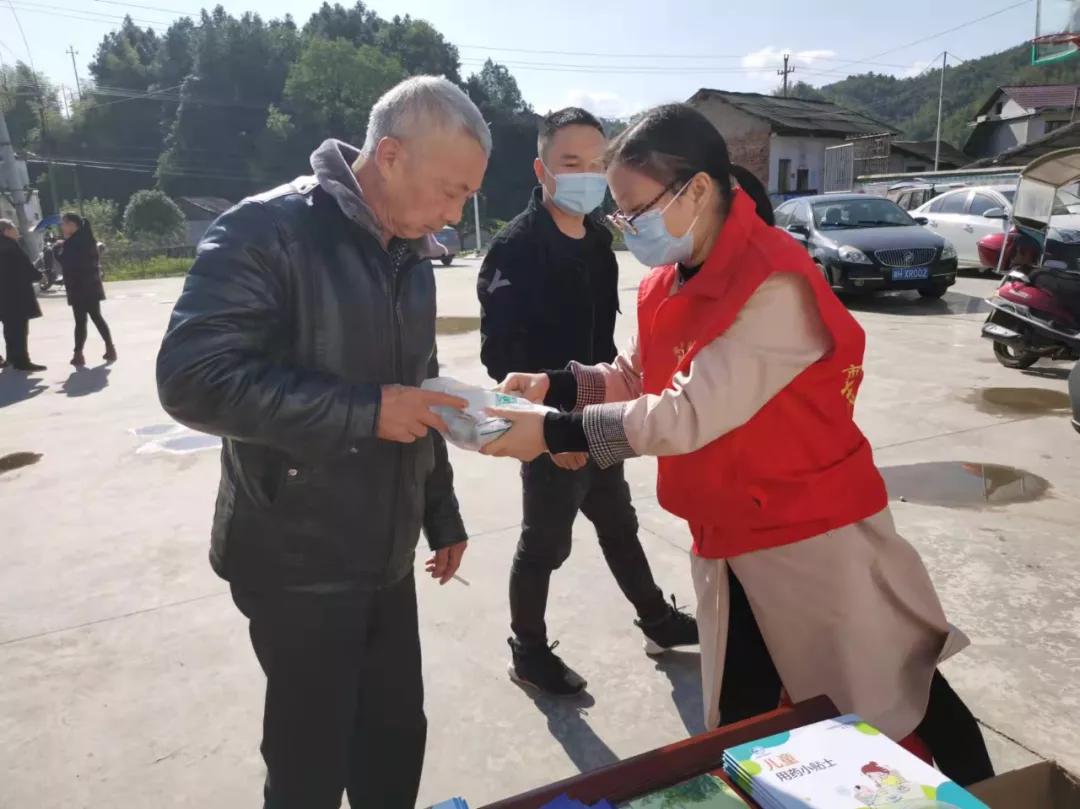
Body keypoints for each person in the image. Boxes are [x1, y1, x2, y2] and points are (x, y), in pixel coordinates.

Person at [480, 104, 994, 787]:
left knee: (890, 689)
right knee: (749, 711)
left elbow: (685, 414)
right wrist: (559, 384)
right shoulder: (669, 279)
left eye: (636, 209)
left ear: (696, 189)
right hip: (729, 534)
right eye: (620, 213)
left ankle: (993, 795)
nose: (626, 225)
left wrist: (553, 431)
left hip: (811, 534)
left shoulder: (773, 280)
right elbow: (638, 374)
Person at [156, 76, 488, 809]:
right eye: (450, 191)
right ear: (391, 156)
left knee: (394, 740)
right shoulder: (266, 230)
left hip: (386, 549)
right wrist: (363, 411)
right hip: (296, 557)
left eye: (466, 197)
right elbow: (191, 380)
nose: (452, 214)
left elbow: (418, 386)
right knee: (309, 762)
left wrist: (441, 510)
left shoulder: (410, 252)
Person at [477, 107, 697, 697]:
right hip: (550, 427)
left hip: (602, 410)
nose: (586, 176)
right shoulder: (516, 249)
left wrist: (596, 417)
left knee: (619, 522)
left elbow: (606, 345)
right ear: (542, 170)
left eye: (597, 165)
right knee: (544, 544)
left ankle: (657, 620)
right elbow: (502, 362)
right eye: (570, 163)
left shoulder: (600, 240)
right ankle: (527, 651)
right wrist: (554, 432)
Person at [54, 213, 115, 366]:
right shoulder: (87, 239)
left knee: (81, 321)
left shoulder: (72, 243)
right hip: (91, 286)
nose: (62, 227)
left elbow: (66, 263)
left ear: (72, 225)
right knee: (96, 317)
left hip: (79, 287)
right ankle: (109, 348)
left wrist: (56, 250)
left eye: (64, 224)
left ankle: (78, 354)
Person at [0, 219, 46, 372]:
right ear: (6, 231)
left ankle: (11, 358)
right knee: (20, 328)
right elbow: (24, 266)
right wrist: (40, 276)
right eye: (14, 227)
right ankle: (22, 362)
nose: (16, 230)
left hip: (2, 295)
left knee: (9, 328)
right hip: (16, 293)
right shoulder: (10, 245)